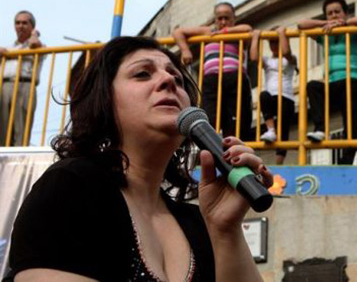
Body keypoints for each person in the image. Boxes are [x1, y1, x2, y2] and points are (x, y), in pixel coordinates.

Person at [6, 37, 272, 281]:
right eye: (143, 73)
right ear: (105, 100)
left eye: (178, 79)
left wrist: (226, 231)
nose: (168, 81)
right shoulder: (71, 186)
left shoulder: (198, 221)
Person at [298, 0, 357, 165]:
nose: (333, 16)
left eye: (337, 12)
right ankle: (320, 129)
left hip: (352, 82)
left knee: (351, 129)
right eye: (329, 13)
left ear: (345, 13)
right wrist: (323, 24)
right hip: (332, 85)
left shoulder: (352, 31)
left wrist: (345, 24)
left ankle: (345, 162)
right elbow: (301, 25)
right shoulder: (325, 34)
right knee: (313, 86)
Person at [173, 2, 253, 141]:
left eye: (227, 18)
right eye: (219, 18)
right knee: (210, 116)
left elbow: (248, 28)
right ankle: (210, 148)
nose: (223, 22)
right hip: (211, 79)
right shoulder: (207, 32)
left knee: (235, 117)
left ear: (233, 19)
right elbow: (178, 32)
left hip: (235, 78)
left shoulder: (236, 33)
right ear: (215, 20)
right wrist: (185, 50)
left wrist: (223, 33)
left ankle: (234, 148)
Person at [250, 26, 297, 165]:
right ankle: (271, 129)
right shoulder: (267, 60)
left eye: (277, 42)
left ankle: (278, 164)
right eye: (271, 42)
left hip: (286, 97)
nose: (274, 45)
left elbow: (286, 51)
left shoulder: (290, 59)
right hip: (272, 96)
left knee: (283, 130)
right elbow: (253, 57)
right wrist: (256, 37)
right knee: (263, 95)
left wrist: (281, 33)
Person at [0, 10, 44, 147]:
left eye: (25, 23)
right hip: (5, 86)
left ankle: (18, 156)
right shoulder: (10, 47)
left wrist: (35, 34)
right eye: (17, 23)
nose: (20, 26)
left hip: (25, 86)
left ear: (32, 27)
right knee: (2, 127)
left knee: (21, 129)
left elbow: (34, 43)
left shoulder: (37, 46)